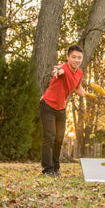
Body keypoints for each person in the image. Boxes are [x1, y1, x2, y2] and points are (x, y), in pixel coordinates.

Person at [39, 45, 85, 177]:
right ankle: (47, 170)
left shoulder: (79, 72)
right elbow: (59, 72)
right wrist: (57, 72)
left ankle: (55, 169)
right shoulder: (63, 68)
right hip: (47, 106)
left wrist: (86, 95)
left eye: (79, 58)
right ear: (68, 57)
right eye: (74, 57)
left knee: (59, 139)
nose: (76, 60)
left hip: (61, 108)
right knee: (49, 137)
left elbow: (77, 86)